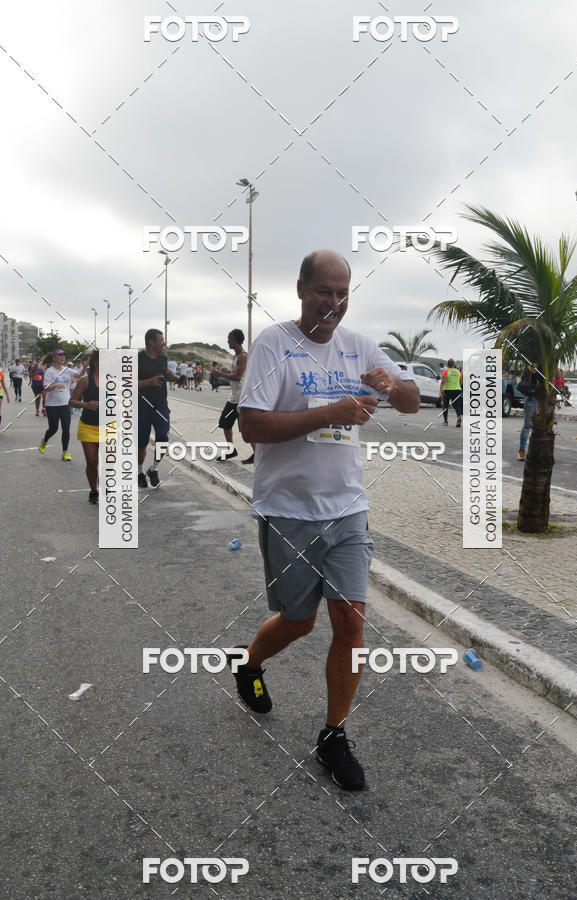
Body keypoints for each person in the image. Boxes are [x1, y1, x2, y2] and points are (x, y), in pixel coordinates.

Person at [227, 249, 419, 791]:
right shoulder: (273, 344)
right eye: (323, 292)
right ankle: (248, 663)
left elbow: (410, 402)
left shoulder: (357, 345)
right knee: (299, 621)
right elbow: (253, 426)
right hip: (289, 511)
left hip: (348, 509)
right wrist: (330, 412)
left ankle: (333, 735)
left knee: (352, 622)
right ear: (300, 288)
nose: (333, 303)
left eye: (342, 293)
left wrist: (393, 385)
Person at [138, 328, 178, 488]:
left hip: (161, 407)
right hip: (141, 408)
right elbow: (126, 383)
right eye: (161, 340)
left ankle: (154, 469)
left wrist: (175, 377)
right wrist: (149, 382)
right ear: (151, 342)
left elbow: (166, 372)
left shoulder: (162, 358)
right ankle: (140, 472)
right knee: (142, 443)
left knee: (163, 439)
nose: (164, 343)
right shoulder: (137, 359)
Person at [69, 349, 101, 503]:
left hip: (109, 426)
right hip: (88, 426)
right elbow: (72, 401)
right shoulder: (85, 381)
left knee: (110, 461)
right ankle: (94, 490)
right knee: (92, 461)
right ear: (96, 362)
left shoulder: (114, 381)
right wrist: (86, 404)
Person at [213, 330, 249, 462]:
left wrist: (220, 374)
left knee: (246, 429)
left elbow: (238, 377)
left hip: (241, 398)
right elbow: (235, 372)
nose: (227, 341)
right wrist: (225, 370)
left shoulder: (243, 356)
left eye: (229, 339)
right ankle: (231, 450)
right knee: (225, 423)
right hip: (233, 397)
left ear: (234, 340)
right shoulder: (236, 356)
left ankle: (257, 453)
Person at [39, 349, 75, 460]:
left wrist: (89, 366)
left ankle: (65, 452)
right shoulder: (50, 371)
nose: (62, 357)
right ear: (54, 358)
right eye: (60, 355)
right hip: (52, 404)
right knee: (53, 428)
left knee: (66, 428)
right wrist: (55, 385)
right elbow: (45, 387)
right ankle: (44, 441)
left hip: (65, 403)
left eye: (64, 355)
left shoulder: (68, 370)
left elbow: (79, 375)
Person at [518, 366, 541, 461]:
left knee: (539, 426)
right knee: (528, 425)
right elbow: (522, 382)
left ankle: (536, 452)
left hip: (543, 398)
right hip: (532, 398)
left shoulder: (545, 365)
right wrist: (533, 370)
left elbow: (556, 375)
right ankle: (522, 451)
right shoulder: (531, 365)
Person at [440, 358, 462, 426]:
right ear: (454, 364)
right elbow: (461, 382)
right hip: (457, 390)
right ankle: (459, 418)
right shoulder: (459, 372)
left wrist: (441, 391)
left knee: (445, 405)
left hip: (447, 390)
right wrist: (457, 386)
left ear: (447, 364)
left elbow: (443, 382)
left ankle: (445, 421)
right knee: (457, 405)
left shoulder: (445, 371)